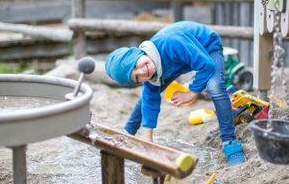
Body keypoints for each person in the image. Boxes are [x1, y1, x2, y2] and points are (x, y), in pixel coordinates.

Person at [105, 21, 245, 165]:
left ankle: (229, 140)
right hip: (181, 60)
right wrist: (148, 141)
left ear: (138, 53)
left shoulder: (171, 43)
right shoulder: (150, 70)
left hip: (207, 46)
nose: (142, 72)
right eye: (136, 77)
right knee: (148, 94)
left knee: (214, 85)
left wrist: (192, 92)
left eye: (135, 65)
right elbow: (150, 101)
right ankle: (128, 132)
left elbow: (206, 66)